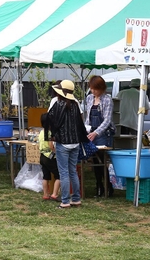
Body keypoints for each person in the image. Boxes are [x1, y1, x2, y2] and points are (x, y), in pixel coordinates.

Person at [47, 79, 86, 208]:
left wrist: (51, 137)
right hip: (75, 142)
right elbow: (81, 122)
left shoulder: (57, 104)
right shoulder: (75, 104)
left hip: (62, 143)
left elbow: (49, 121)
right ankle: (76, 199)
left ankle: (65, 201)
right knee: (72, 171)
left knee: (63, 173)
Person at [84, 75, 116, 197]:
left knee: (101, 160)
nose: (93, 91)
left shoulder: (107, 100)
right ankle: (99, 186)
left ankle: (108, 186)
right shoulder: (89, 99)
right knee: (94, 160)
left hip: (104, 133)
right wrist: (86, 130)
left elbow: (107, 120)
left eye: (95, 89)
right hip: (91, 132)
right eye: (91, 88)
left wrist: (96, 132)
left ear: (101, 88)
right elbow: (87, 118)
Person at [38, 112, 60, 201]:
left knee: (46, 176)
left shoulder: (41, 132)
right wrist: (55, 151)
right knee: (59, 175)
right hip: (49, 157)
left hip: (42, 156)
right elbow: (51, 145)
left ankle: (46, 194)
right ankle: (54, 194)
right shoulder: (49, 133)